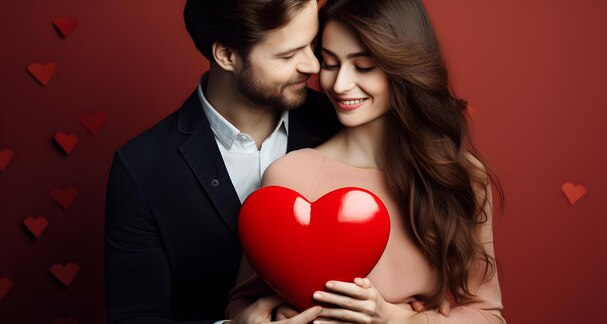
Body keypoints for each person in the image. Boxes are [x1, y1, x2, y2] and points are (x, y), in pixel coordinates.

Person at [226, 0, 506, 323]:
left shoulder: (458, 175)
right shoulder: (290, 176)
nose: (340, 85)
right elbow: (242, 305)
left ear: (401, 65)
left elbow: (488, 315)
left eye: (363, 66)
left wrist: (396, 319)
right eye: (330, 64)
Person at [104, 0, 341, 322]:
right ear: (227, 55)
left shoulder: (341, 123)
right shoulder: (142, 166)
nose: (313, 66)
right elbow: (134, 316)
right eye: (288, 55)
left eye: (312, 45)